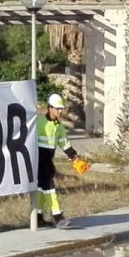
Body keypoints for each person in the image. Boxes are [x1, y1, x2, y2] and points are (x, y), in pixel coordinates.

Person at [33, 93, 81, 229]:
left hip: (48, 160)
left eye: (61, 109)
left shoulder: (59, 126)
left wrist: (74, 156)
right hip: (39, 160)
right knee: (49, 188)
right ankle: (58, 217)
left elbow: (63, 142)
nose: (60, 111)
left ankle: (38, 217)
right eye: (57, 108)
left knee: (42, 189)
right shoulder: (40, 122)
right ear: (50, 108)